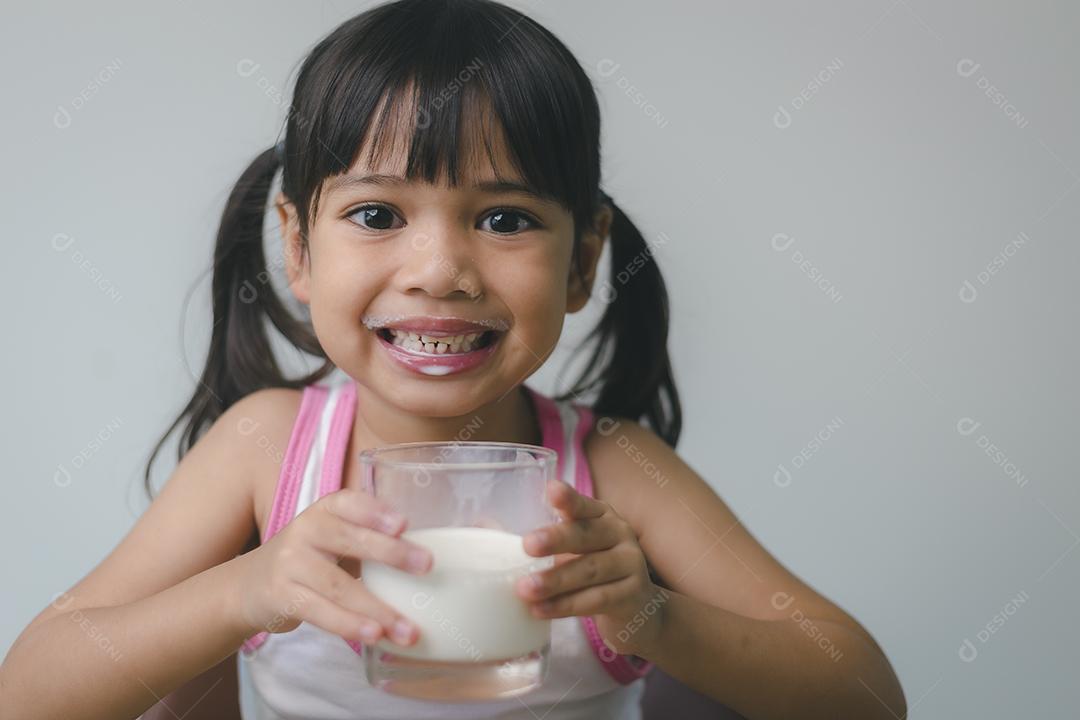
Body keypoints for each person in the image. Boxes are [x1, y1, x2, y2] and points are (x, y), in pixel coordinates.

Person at [1, 1, 906, 718]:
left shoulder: (612, 473)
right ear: (299, 250)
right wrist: (250, 587)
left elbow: (864, 694)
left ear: (584, 261)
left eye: (505, 219)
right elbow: (31, 689)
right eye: (376, 214)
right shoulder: (264, 450)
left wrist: (652, 618)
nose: (440, 272)